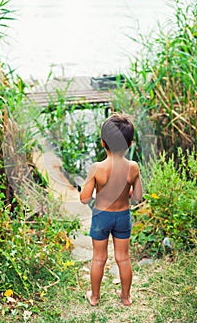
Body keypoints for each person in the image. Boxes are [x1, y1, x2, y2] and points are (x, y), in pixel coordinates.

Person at [80, 113, 142, 307]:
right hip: (122, 216)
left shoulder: (97, 168)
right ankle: (125, 297)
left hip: (101, 217)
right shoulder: (133, 167)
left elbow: (84, 199)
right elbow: (138, 196)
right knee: (123, 258)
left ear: (102, 143)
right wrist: (128, 190)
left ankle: (95, 297)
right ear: (130, 144)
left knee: (99, 258)